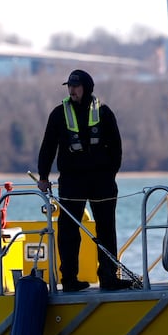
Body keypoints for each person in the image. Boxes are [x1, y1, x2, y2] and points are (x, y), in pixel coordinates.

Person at [36, 69, 131, 291]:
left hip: (102, 181)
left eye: (76, 86)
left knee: (107, 228)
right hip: (72, 180)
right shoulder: (58, 114)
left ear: (86, 88)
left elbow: (116, 148)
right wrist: (43, 176)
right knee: (68, 230)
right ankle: (69, 279)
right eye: (69, 86)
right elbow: (48, 147)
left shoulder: (104, 113)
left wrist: (110, 175)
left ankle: (108, 276)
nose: (72, 90)